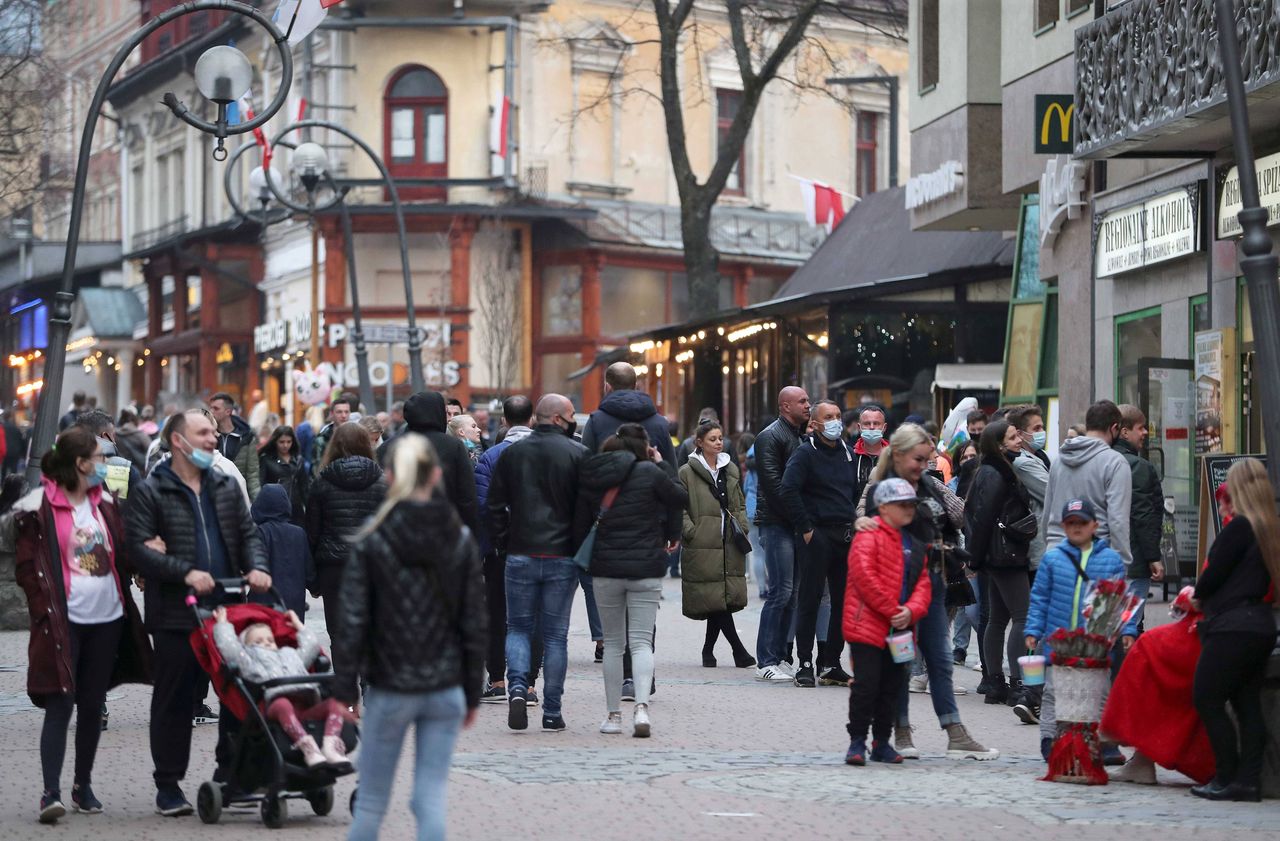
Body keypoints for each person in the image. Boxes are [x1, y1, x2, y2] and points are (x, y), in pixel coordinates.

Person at [336, 433, 486, 840]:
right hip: (445, 683)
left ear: (388, 476)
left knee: (371, 801)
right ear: (436, 474)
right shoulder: (459, 537)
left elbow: (351, 620)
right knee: (430, 796)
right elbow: (474, 621)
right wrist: (473, 690)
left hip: (389, 683)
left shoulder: (373, 536)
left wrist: (344, 690)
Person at [126, 408, 271, 816]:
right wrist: (184, 572)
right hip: (176, 613)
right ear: (178, 441)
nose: (212, 438)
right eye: (203, 432)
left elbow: (248, 534)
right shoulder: (153, 490)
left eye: (212, 432)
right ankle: (169, 785)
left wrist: (257, 566)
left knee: (238, 694)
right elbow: (136, 547)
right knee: (174, 700)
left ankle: (233, 776)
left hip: (227, 609)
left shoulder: (224, 485)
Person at [3, 426, 150, 823]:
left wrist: (145, 558)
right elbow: (27, 566)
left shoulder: (106, 505)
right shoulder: (40, 506)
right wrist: (42, 608)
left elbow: (122, 550)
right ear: (80, 463)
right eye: (100, 458)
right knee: (60, 702)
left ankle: (82, 786)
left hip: (107, 619)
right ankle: (50, 792)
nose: (106, 464)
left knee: (90, 704)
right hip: (64, 622)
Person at [856, 424, 998, 760]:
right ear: (901, 455)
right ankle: (902, 731)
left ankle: (955, 733)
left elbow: (959, 515)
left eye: (928, 458)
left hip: (933, 582)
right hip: (898, 588)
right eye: (919, 458)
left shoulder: (930, 484)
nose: (924, 464)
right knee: (902, 662)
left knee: (940, 660)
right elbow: (864, 519)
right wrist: (863, 522)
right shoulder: (881, 488)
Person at [1102, 485, 1230, 788]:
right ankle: (1133, 749)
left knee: (1147, 650)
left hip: (1213, 628)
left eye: (1225, 502)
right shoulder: (1242, 530)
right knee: (1146, 648)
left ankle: (1119, 732)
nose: (1221, 509)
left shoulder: (1238, 532)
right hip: (1213, 624)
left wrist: (1191, 597)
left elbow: (1213, 589)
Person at [578, 425, 688, 736]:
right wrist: (661, 463)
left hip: (606, 568)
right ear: (644, 449)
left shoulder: (595, 475)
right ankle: (641, 709)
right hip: (644, 567)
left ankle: (613, 716)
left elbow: (581, 519)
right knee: (641, 642)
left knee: (613, 643)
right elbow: (680, 497)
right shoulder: (650, 473)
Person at [486, 394, 585, 731]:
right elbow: (587, 509)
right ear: (557, 418)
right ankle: (552, 710)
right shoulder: (577, 453)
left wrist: (504, 541)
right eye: (571, 414)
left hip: (521, 551)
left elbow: (494, 505)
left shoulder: (513, 454)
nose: (574, 419)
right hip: (562, 554)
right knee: (555, 636)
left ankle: (516, 687)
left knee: (518, 627)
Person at [1186, 458, 1279, 801]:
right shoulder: (1269, 528)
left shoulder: (1240, 527)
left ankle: (1226, 774)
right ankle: (1248, 780)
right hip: (1259, 625)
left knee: (1207, 696)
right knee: (1246, 704)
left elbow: (1211, 576)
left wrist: (1197, 596)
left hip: (1232, 627)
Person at [1024, 498, 1133, 762]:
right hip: (1058, 642)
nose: (1076, 528)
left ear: (1094, 525)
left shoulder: (1110, 561)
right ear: (1063, 526)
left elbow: (1120, 600)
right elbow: (1039, 599)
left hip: (1096, 642)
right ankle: (1050, 741)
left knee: (1099, 693)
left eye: (1082, 523)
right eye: (1071, 523)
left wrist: (1128, 629)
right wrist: (1033, 630)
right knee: (1053, 692)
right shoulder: (1052, 560)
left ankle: (1100, 743)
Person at [842, 478, 933, 766]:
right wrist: (893, 609)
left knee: (892, 687)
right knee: (866, 686)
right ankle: (858, 741)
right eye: (901, 504)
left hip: (901, 629)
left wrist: (912, 611)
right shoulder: (868, 536)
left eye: (911, 505)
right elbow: (863, 575)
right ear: (882, 507)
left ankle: (882, 741)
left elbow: (923, 583)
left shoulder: (914, 543)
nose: (908, 510)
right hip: (866, 627)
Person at [210, 605, 350, 769]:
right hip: (273, 705)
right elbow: (230, 648)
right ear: (246, 647)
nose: (266, 644)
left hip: (304, 704)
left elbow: (311, 648)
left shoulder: (289, 655)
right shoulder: (248, 659)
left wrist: (298, 626)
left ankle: (331, 745)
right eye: (258, 642)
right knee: (282, 704)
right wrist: (222, 624)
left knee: (336, 703)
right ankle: (307, 746)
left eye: (270, 640)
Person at [780, 400, 857, 688]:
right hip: (817, 535)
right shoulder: (805, 453)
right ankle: (805, 663)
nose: (835, 421)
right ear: (815, 423)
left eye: (838, 416)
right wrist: (807, 528)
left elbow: (855, 491)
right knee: (809, 599)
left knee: (843, 602)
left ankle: (831, 663)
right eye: (829, 417)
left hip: (845, 535)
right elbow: (788, 489)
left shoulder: (848, 453)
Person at [305, 422, 386, 696]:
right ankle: (370, 684)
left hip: (333, 566)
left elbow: (313, 531)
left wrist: (313, 577)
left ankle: (346, 690)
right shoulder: (382, 481)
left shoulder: (322, 481)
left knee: (339, 632)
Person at [963, 421, 1034, 708]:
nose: (1019, 440)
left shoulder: (991, 470)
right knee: (1022, 616)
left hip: (996, 555)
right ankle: (1016, 682)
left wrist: (978, 558)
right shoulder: (997, 473)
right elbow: (983, 518)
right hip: (1005, 555)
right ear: (999, 443)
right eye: (1013, 437)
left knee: (998, 618)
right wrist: (975, 558)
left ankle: (995, 682)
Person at [473, 396, 535, 702]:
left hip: (500, 550)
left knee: (497, 613)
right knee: (534, 615)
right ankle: (531, 683)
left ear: (504, 421)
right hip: (542, 545)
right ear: (532, 419)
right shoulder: (548, 450)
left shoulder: (491, 456)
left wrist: (498, 539)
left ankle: (497, 679)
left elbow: (484, 505)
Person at [679, 420, 755, 670]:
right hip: (702, 542)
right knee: (716, 598)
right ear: (699, 442)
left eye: (720, 438)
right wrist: (691, 531)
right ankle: (738, 650)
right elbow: (679, 507)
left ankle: (708, 650)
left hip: (729, 540)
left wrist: (741, 525)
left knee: (720, 598)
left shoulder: (730, 468)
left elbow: (739, 502)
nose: (719, 442)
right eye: (713, 439)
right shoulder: (687, 472)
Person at [752, 386, 810, 681]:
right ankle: (766, 660)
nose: (808, 405)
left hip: (795, 524)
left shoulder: (801, 436)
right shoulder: (770, 436)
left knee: (793, 593)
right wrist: (801, 517)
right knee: (781, 592)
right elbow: (774, 487)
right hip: (777, 523)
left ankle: (781, 655)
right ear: (785, 406)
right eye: (802, 401)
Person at [1042, 400, 1133, 570]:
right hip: (1096, 558)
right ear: (1114, 428)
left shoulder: (1059, 461)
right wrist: (1122, 563)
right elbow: (1118, 521)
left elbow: (1047, 514)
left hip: (1056, 553)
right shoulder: (1115, 463)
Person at [393, 392, 480, 535]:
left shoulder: (393, 446)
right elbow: (467, 495)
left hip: (400, 530)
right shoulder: (454, 446)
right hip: (446, 530)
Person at [1113, 404, 1165, 637]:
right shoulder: (1138, 466)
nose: (1145, 433)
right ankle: (1127, 673)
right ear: (1124, 431)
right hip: (1134, 561)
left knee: (1112, 624)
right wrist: (1153, 557)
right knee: (1129, 626)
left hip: (1108, 559)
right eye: (1140, 428)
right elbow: (1144, 515)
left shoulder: (1102, 460)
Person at [581, 361, 677, 464]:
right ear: (635, 386)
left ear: (607, 387)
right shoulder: (660, 423)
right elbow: (671, 471)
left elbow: (585, 465)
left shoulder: (595, 421)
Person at [251, 484, 312, 617]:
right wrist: (315, 588)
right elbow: (309, 569)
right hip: (293, 603)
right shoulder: (299, 533)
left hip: (262, 602)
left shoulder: (258, 533)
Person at [207, 393, 261, 501]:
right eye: (211, 408)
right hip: (212, 493)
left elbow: (252, 474)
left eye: (216, 408)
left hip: (238, 494)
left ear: (228, 411)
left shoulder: (246, 437)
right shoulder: (208, 436)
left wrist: (257, 502)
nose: (211, 412)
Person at [258, 425, 308, 525]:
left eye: (289, 442)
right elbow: (261, 485)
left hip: (296, 509)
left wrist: (309, 508)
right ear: (275, 441)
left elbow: (304, 488)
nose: (285, 445)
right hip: (274, 507)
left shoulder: (299, 460)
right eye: (281, 442)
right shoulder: (266, 460)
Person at [738, 433, 767, 599]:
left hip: (751, 508)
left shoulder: (749, 466)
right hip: (768, 508)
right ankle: (772, 584)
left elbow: (746, 489)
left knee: (756, 552)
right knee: (769, 550)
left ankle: (762, 589)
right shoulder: (769, 460)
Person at [851, 404, 888, 506]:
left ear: (884, 427)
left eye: (876, 423)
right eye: (867, 424)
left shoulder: (893, 457)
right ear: (859, 427)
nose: (871, 427)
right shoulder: (850, 457)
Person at [311, 394, 355, 479]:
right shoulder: (322, 439)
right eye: (339, 412)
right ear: (332, 414)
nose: (343, 415)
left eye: (346, 412)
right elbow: (316, 470)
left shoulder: (356, 437)